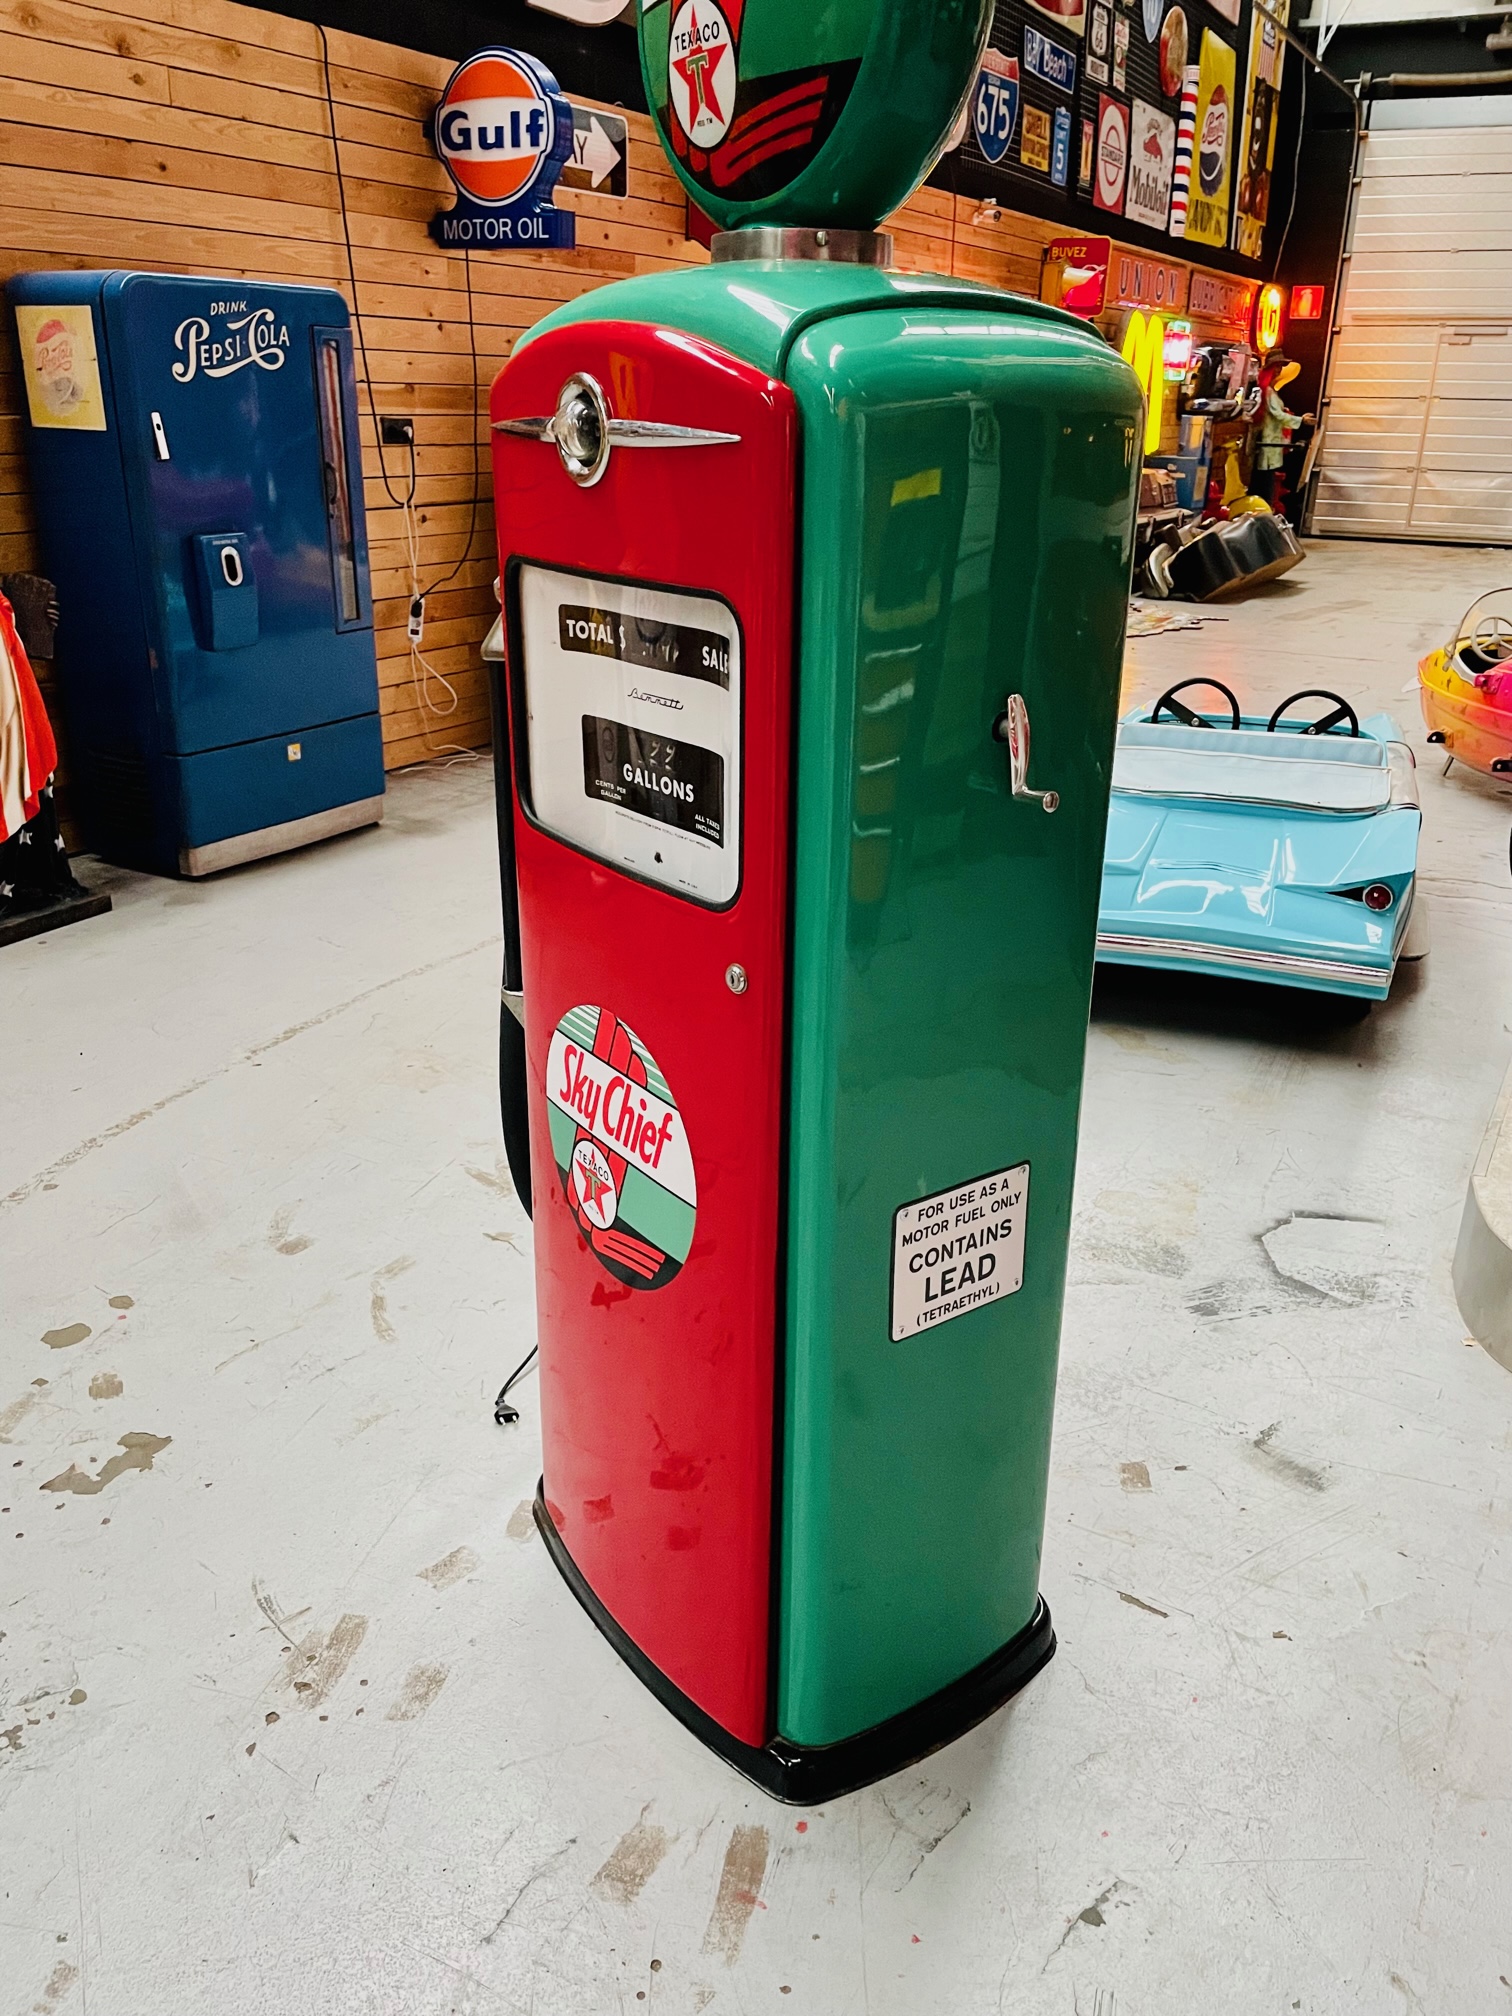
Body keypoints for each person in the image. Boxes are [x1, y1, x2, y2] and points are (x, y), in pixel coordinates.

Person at [1254, 353, 1313, 517]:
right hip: (1269, 441)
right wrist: (1301, 420)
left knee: (1270, 480)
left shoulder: (1271, 391)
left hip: (1274, 441)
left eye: (1281, 367)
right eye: (1277, 366)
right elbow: (1277, 415)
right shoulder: (1267, 392)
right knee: (1266, 482)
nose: (1279, 370)